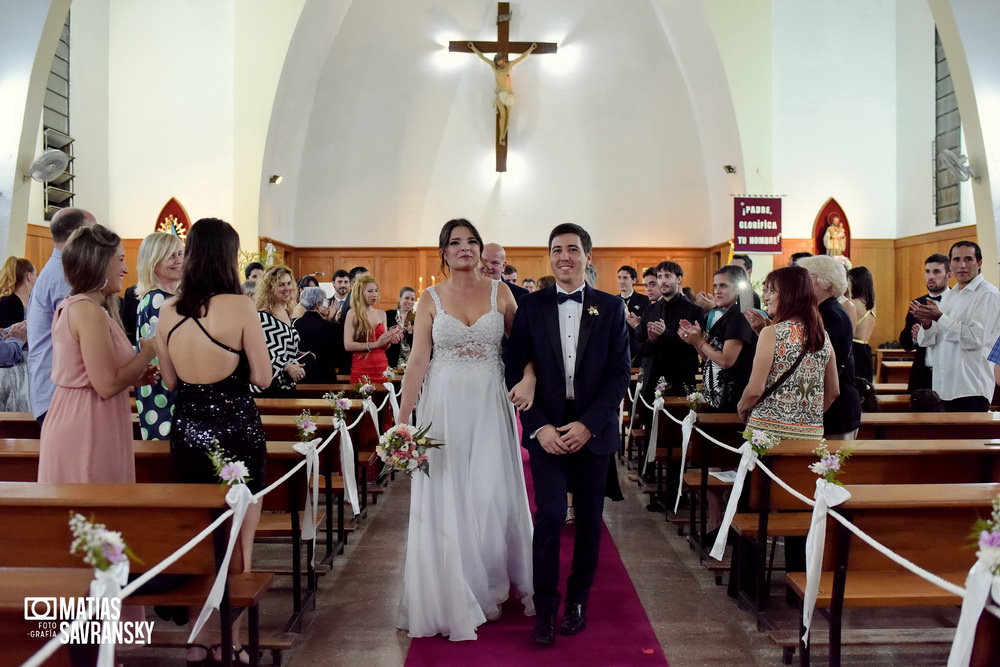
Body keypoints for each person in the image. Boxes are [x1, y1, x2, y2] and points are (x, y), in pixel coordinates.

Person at [396, 218, 534, 641]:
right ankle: (459, 589)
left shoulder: (501, 292)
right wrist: (402, 420)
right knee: (451, 493)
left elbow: (526, 346)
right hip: (444, 405)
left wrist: (528, 377)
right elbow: (419, 360)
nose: (465, 248)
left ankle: (492, 582)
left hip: (491, 403)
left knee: (489, 492)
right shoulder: (429, 298)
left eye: (471, 241)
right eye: (455, 243)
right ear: (443, 252)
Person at [505, 222, 631, 646]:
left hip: (592, 429)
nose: (564, 257)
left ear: (587, 256)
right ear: (550, 256)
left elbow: (618, 376)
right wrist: (538, 427)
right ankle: (545, 608)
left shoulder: (610, 308)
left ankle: (577, 600)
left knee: (591, 522)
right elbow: (515, 368)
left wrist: (589, 425)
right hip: (548, 428)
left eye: (573, 249)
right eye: (557, 249)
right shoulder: (531, 306)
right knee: (551, 516)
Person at [155, 218, 271, 666]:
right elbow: (261, 377)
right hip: (236, 431)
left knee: (202, 535)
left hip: (187, 432)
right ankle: (230, 639)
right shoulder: (240, 308)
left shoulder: (169, 311)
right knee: (240, 537)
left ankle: (199, 637)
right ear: (227, 257)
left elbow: (168, 381)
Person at [37, 224, 159, 482]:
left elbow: (93, 373)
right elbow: (106, 384)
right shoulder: (87, 311)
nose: (126, 269)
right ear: (99, 263)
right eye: (121, 260)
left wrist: (136, 374)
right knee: (92, 506)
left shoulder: (88, 307)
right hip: (86, 420)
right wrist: (146, 353)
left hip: (91, 412)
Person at [737, 266, 839, 439]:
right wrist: (803, 418)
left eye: (771, 291)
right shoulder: (822, 335)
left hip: (767, 433)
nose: (765, 297)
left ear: (789, 295)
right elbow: (833, 391)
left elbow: (755, 390)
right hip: (810, 433)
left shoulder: (771, 333)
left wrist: (741, 406)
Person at [27, 207, 96, 426]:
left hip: (54, 391)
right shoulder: (64, 275)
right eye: (94, 232)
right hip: (59, 393)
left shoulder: (61, 269)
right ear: (78, 234)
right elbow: (80, 338)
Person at [912, 240, 1000, 412]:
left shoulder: (987, 294)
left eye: (968, 259)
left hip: (970, 387)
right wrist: (927, 324)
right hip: (943, 387)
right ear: (950, 264)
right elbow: (928, 342)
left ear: (979, 263)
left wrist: (939, 317)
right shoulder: (951, 295)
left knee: (969, 439)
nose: (962, 265)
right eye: (956, 260)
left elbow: (976, 339)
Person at [796, 255, 862, 439]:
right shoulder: (823, 310)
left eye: (806, 278)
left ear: (824, 282)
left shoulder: (831, 314)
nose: (800, 285)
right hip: (829, 404)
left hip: (837, 406)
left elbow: (815, 360)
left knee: (831, 465)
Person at [678, 265, 757, 411]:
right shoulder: (724, 316)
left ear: (739, 288)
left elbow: (726, 361)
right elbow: (711, 359)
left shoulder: (740, 316)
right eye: (715, 286)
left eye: (723, 286)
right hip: (716, 395)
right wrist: (695, 340)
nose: (717, 291)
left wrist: (700, 342)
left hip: (732, 395)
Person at [133, 232, 184, 440]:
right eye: (170, 255)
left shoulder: (171, 298)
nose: (178, 260)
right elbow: (159, 351)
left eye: (180, 253)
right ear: (153, 261)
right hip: (165, 394)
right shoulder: (157, 300)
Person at [468, 41, 538, 146]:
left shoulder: (509, 65)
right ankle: (501, 137)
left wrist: (531, 49)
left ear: (503, 59)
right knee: (503, 116)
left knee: (508, 116)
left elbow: (522, 57)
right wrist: (473, 47)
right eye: (497, 61)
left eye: (500, 60)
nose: (499, 63)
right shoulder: (494, 66)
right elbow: (481, 56)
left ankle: (503, 136)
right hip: (500, 94)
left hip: (509, 94)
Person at [899, 253, 951, 392]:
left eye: (936, 271)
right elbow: (905, 343)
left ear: (949, 275)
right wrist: (914, 337)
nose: (931, 276)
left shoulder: (957, 302)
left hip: (950, 375)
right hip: (922, 375)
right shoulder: (918, 303)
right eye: (927, 271)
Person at [254, 266, 305, 397]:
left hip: (287, 384)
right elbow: (261, 353)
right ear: (269, 289)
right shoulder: (263, 317)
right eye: (281, 285)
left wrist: (299, 354)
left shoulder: (286, 311)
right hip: (270, 386)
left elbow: (282, 346)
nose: (287, 288)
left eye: (289, 283)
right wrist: (287, 366)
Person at [344, 274, 400, 383]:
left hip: (382, 367)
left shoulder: (382, 314)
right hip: (362, 368)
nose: (374, 295)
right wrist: (375, 344)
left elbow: (384, 347)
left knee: (383, 399)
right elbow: (348, 345)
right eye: (370, 291)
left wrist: (390, 339)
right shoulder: (352, 314)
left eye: (376, 291)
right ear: (360, 293)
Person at [0, 257, 35, 411]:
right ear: (29, 276)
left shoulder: (30, 302)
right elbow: (6, 350)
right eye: (36, 274)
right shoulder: (11, 302)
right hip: (13, 376)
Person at [292, 286, 336, 384]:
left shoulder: (294, 324)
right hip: (326, 378)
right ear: (318, 304)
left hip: (302, 377)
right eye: (326, 301)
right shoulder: (330, 327)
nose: (328, 304)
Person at [847, 266, 876, 382]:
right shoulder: (872, 305)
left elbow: (848, 332)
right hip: (866, 350)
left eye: (847, 280)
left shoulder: (853, 304)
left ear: (855, 282)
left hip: (854, 350)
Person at [618, 265, 650, 358]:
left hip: (636, 349)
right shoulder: (613, 300)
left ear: (634, 280)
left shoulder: (644, 300)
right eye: (619, 278)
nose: (621, 281)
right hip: (618, 349)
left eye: (625, 278)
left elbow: (646, 326)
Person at [385, 286, 416, 368]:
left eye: (412, 299)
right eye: (407, 298)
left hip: (410, 364)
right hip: (392, 361)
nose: (410, 301)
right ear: (399, 298)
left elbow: (417, 345)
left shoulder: (416, 319)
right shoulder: (388, 315)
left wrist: (410, 334)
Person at [0, 257, 35, 326]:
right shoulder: (8, 303)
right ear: (29, 276)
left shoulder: (33, 301)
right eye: (35, 275)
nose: (37, 278)